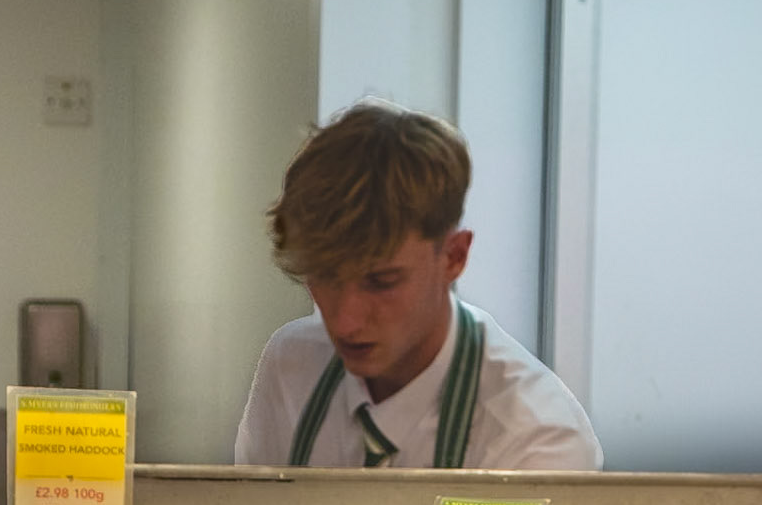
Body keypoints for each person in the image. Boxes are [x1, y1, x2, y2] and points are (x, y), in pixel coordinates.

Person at [236, 103, 602, 471]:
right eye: (325, 277)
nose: (345, 322)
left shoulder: (536, 438)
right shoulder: (291, 367)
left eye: (381, 282)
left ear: (454, 257)